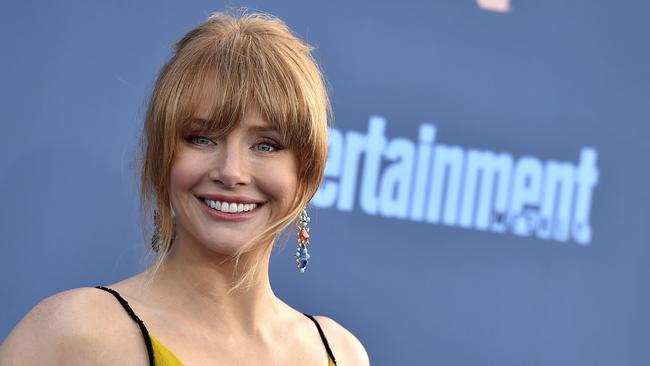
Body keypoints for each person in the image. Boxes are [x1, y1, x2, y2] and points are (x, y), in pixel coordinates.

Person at [0, 11, 369, 366]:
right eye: (202, 139)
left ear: (306, 172)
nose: (231, 172)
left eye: (266, 145)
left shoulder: (340, 352)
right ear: (162, 158)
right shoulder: (75, 333)